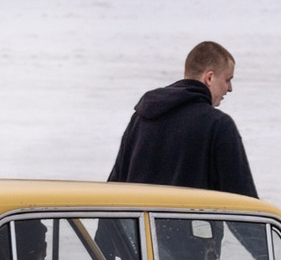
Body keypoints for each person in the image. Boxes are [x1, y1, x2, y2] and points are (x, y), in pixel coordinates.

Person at [108, 40, 257, 196]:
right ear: (209, 78)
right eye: (227, 79)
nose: (230, 88)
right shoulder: (218, 125)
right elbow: (244, 200)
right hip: (185, 220)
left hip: (141, 219)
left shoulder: (140, 118)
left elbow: (115, 187)